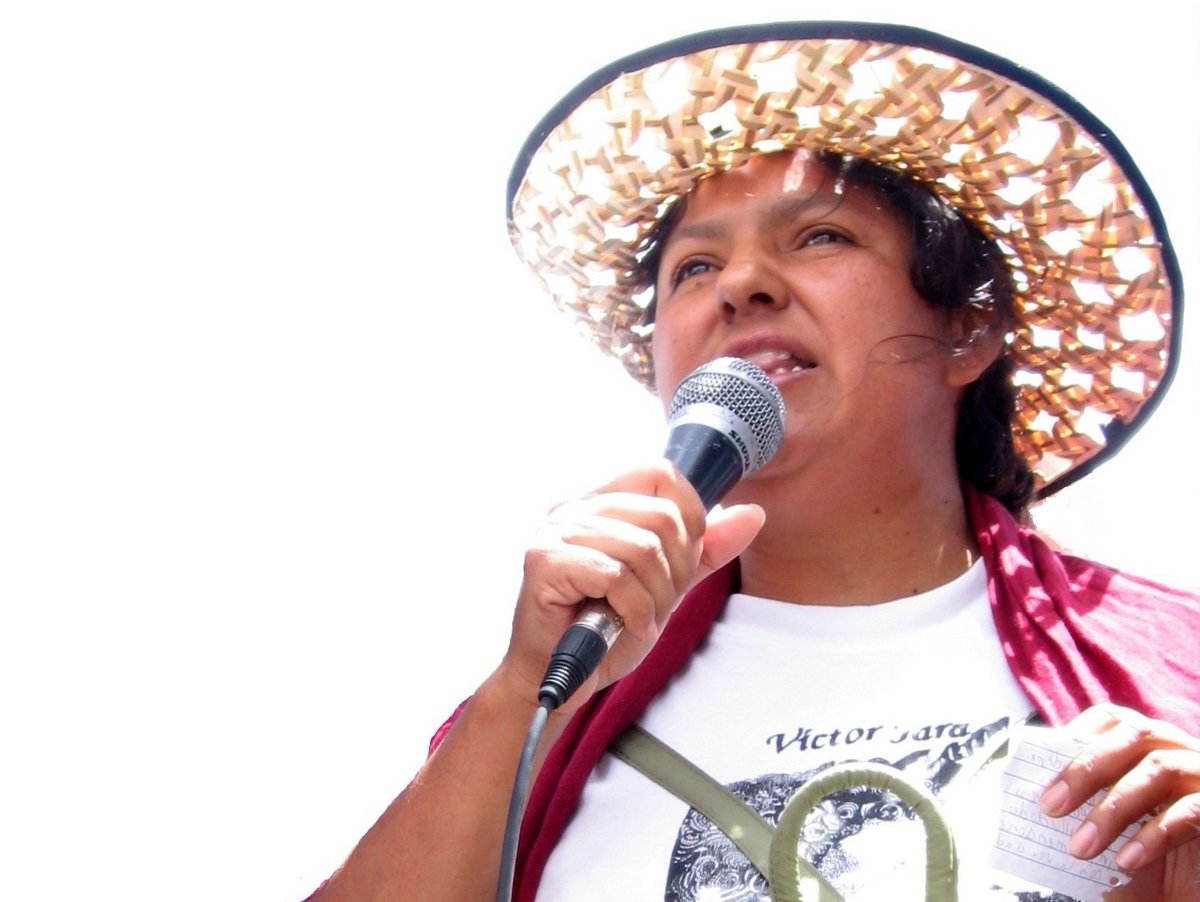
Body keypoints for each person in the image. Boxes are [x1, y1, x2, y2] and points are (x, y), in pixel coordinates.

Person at [309, 22, 1199, 901]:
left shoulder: (1173, 669)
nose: (739, 284)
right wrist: (519, 691)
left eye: (820, 237)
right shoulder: (556, 699)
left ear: (967, 331)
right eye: (694, 268)